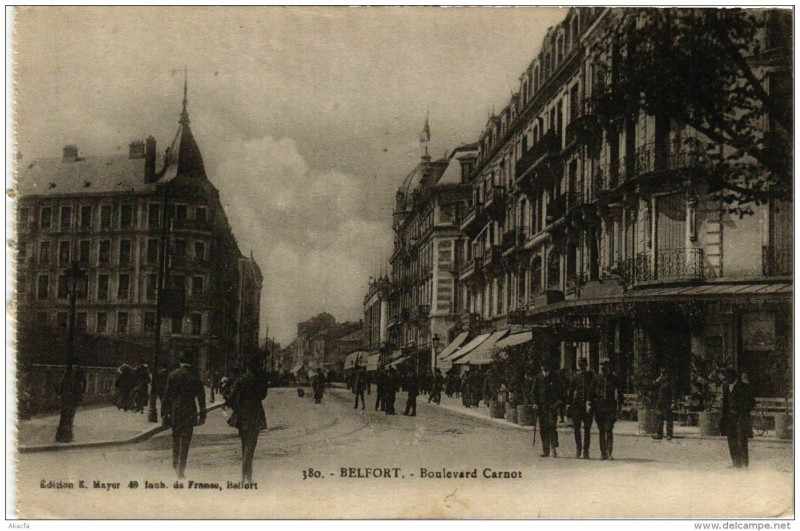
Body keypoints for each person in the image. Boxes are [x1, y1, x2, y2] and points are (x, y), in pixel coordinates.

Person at [162, 354, 206, 478]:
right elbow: (201, 397)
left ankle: (175, 464)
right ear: (191, 363)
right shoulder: (194, 377)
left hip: (176, 410)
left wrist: (164, 413)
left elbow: (166, 395)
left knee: (176, 437)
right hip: (190, 410)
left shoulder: (173, 375)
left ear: (180, 362)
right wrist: (203, 414)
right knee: (185, 441)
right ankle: (181, 469)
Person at [227, 355, 268, 483]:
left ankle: (245, 475)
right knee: (251, 446)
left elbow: (231, 397)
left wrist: (237, 408)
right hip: (255, 415)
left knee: (245, 445)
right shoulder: (260, 379)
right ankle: (247, 476)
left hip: (243, 416)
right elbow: (263, 396)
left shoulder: (241, 379)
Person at [720, 367, 756, 468]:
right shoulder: (726, 387)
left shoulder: (743, 387)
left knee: (742, 439)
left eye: (728, 376)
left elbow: (752, 402)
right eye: (725, 377)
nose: (726, 379)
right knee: (731, 439)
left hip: (741, 416)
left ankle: (744, 463)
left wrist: (744, 411)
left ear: (733, 377)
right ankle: (735, 462)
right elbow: (725, 403)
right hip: (730, 416)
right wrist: (724, 418)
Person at [589, 358, 623, 461]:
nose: (604, 367)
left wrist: (620, 406)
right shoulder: (596, 378)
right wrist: (591, 403)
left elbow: (620, 392)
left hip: (610, 408)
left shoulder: (614, 378)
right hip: (599, 408)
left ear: (609, 366)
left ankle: (609, 452)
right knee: (601, 430)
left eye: (606, 365)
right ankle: (602, 452)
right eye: (602, 365)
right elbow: (590, 392)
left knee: (609, 429)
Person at [530, 359, 565, 458]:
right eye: (543, 365)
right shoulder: (538, 378)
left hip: (552, 406)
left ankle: (553, 448)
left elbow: (561, 390)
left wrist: (558, 402)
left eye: (547, 365)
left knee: (552, 426)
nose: (545, 367)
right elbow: (533, 393)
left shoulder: (555, 376)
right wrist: (534, 403)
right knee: (543, 429)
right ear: (541, 367)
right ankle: (546, 450)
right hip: (541, 407)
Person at [567, 357, 594, 459]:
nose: (581, 367)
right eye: (579, 365)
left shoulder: (591, 376)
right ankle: (578, 448)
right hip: (577, 405)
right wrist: (568, 404)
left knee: (587, 429)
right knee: (576, 428)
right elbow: (570, 391)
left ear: (586, 365)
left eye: (583, 365)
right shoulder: (575, 377)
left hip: (587, 406)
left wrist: (591, 403)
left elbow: (593, 390)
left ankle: (586, 451)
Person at [653, 367, 674, 440]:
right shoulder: (660, 382)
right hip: (660, 402)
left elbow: (673, 393)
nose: (662, 376)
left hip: (668, 402)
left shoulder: (670, 383)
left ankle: (669, 435)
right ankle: (659, 434)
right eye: (661, 374)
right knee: (659, 418)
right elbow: (653, 386)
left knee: (668, 419)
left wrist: (673, 402)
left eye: (664, 374)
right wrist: (657, 380)